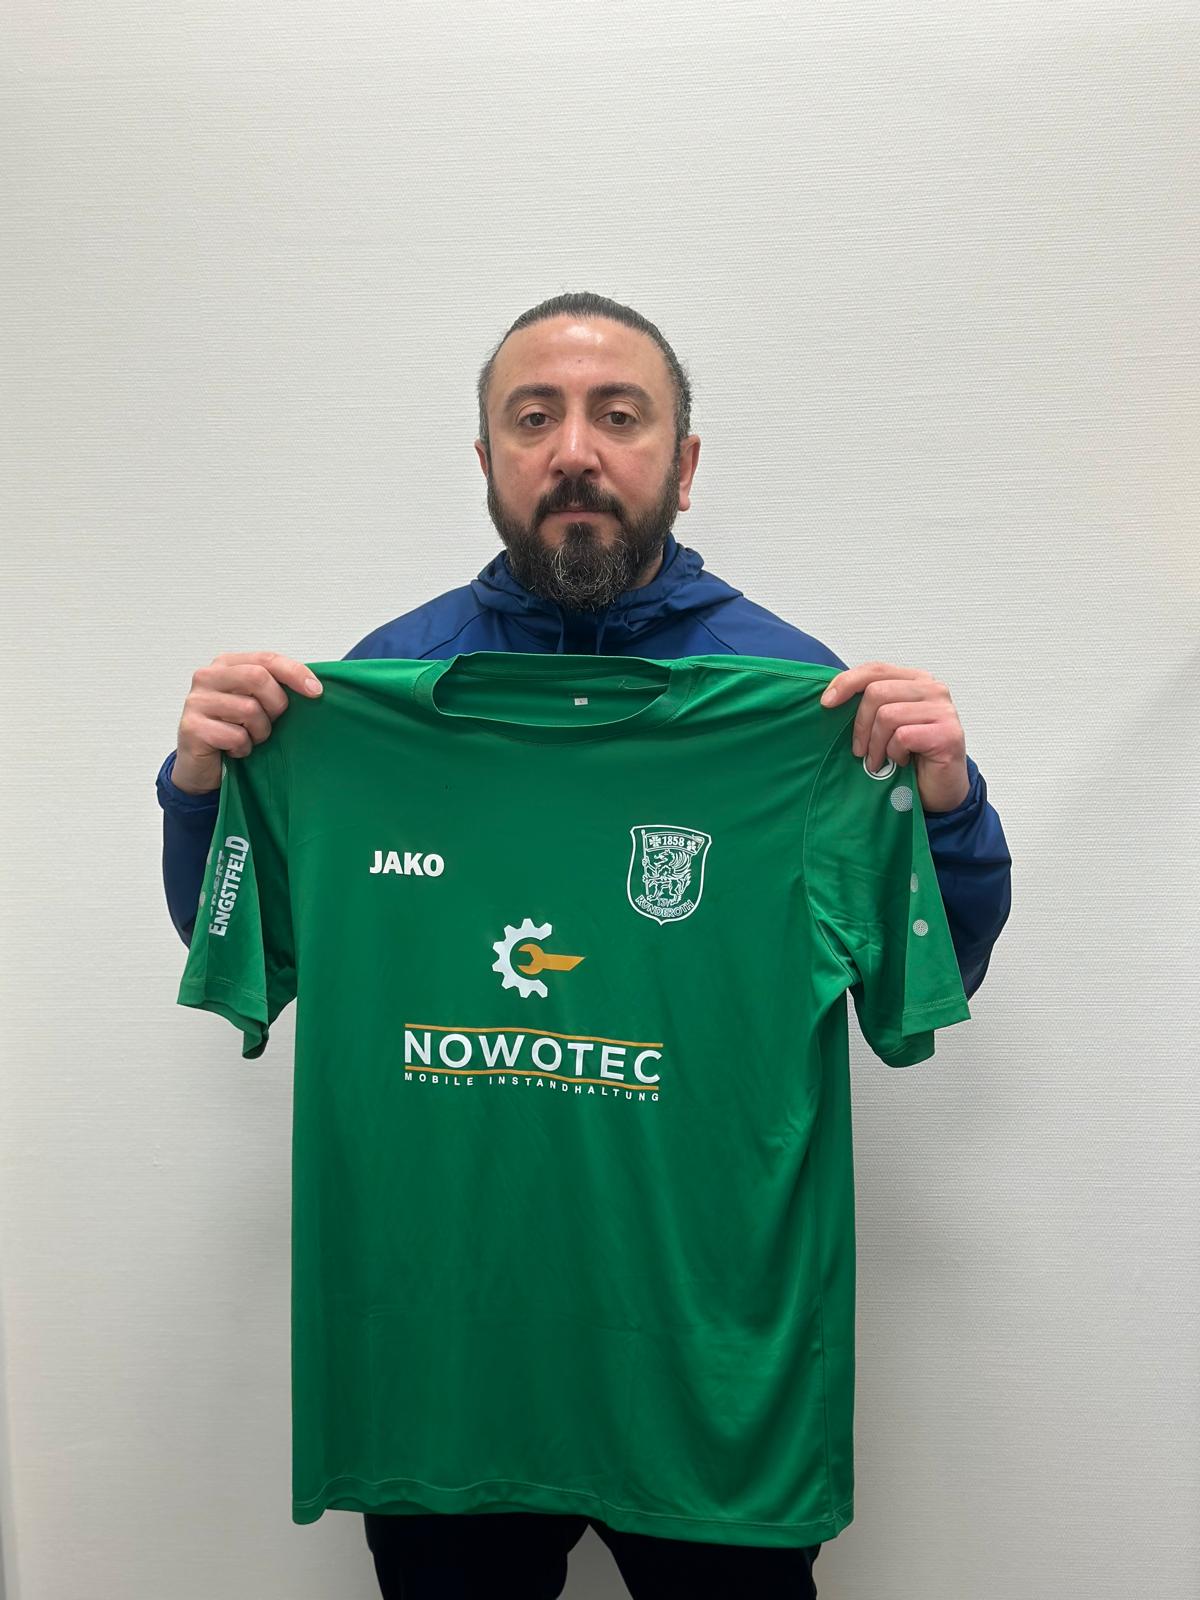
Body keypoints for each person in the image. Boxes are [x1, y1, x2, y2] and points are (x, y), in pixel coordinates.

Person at [157, 291, 1012, 1599]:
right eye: (532, 418)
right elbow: (243, 948)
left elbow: (932, 975)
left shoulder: (800, 706)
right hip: (445, 1382)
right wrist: (204, 789)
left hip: (711, 1383)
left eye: (618, 416)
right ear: (487, 457)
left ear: (683, 460)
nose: (574, 451)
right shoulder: (362, 701)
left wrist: (943, 805)